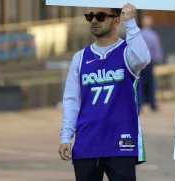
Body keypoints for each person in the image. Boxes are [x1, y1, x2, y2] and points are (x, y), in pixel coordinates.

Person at [58, 3, 151, 181]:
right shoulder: (80, 58)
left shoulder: (128, 54)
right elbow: (71, 101)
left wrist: (130, 22)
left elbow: (143, 58)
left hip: (122, 143)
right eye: (90, 16)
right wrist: (65, 137)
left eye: (100, 17)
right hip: (87, 144)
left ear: (116, 21)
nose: (94, 20)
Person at [140, 15, 164, 112]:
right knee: (150, 82)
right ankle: (152, 103)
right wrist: (159, 60)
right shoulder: (153, 35)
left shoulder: (138, 34)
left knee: (139, 83)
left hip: (139, 62)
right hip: (149, 62)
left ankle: (140, 104)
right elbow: (157, 49)